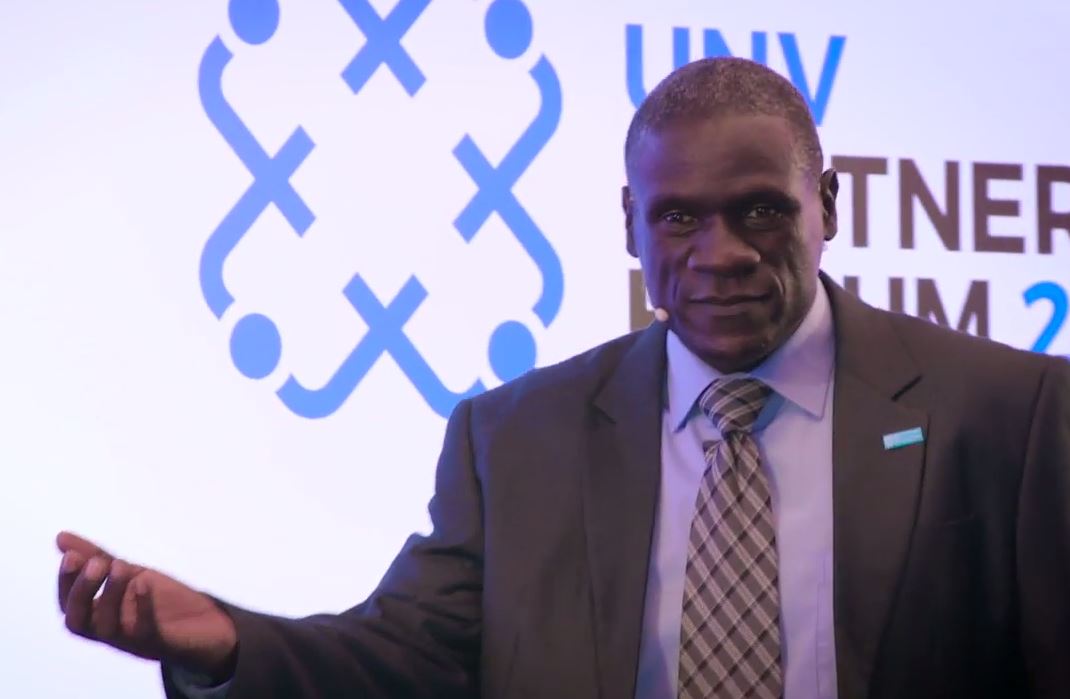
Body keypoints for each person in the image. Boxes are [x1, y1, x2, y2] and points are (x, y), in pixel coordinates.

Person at [56, 57, 1070, 699]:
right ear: (629, 224)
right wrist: (227, 641)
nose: (719, 252)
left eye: (760, 209)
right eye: (679, 216)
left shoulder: (1009, 414)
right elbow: (408, 658)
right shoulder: (514, 440)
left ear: (829, 207)